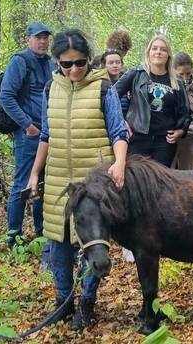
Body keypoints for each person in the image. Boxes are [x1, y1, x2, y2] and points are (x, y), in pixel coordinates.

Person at [27, 29, 128, 330]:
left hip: (94, 181)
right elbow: (46, 135)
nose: (73, 70)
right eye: (66, 64)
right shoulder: (50, 89)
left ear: (89, 59)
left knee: (93, 242)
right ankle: (63, 301)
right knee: (58, 240)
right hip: (58, 179)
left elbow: (118, 131)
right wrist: (34, 173)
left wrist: (120, 163)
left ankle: (86, 302)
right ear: (57, 62)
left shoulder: (103, 88)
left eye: (80, 63)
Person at [0, 22, 56, 247]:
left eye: (45, 37)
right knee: (22, 183)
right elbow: (5, 97)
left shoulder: (51, 63)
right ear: (28, 39)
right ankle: (14, 237)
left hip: (49, 134)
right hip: (29, 135)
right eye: (38, 37)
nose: (43, 41)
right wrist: (27, 125)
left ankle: (42, 233)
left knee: (45, 184)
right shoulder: (19, 62)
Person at [115, 36, 191, 166]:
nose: (158, 52)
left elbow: (185, 110)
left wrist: (181, 130)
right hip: (138, 138)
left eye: (163, 49)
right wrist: (121, 123)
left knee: (160, 177)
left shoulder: (176, 80)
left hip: (165, 140)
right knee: (138, 176)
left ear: (168, 55)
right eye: (154, 48)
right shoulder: (136, 74)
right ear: (148, 52)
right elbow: (112, 96)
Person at [171, 52, 193, 170]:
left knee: (188, 171)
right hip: (172, 136)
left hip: (191, 138)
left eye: (188, 74)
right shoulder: (169, 86)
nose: (185, 78)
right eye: (181, 74)